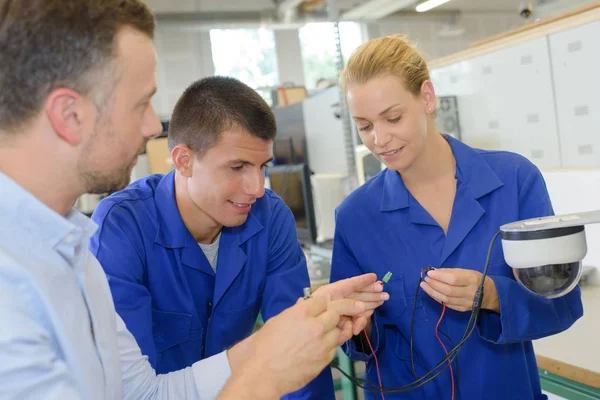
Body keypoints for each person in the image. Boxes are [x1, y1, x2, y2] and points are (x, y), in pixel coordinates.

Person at [0, 1, 385, 398]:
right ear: (69, 114)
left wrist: (295, 333)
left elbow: (144, 393)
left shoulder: (73, 255)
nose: (153, 126)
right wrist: (266, 373)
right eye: (140, 103)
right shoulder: (33, 268)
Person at [88, 75, 385, 399]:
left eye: (262, 166)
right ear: (184, 161)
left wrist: (311, 322)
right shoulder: (122, 230)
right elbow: (132, 389)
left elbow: (300, 357)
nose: (257, 188)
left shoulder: (270, 219)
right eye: (237, 167)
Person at [329, 34, 584, 400]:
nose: (380, 139)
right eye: (365, 126)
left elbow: (563, 303)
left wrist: (494, 295)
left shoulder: (514, 182)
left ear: (427, 97)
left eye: (393, 117)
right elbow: (358, 342)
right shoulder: (356, 217)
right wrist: (358, 324)